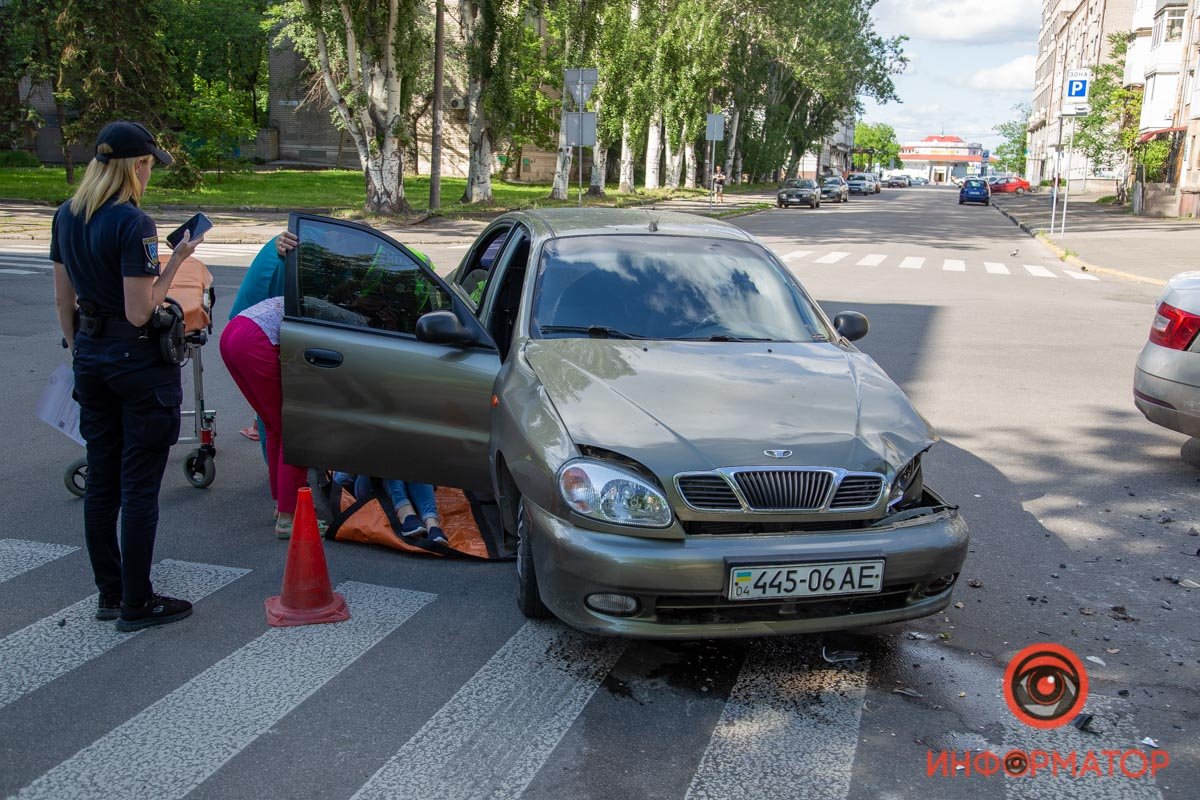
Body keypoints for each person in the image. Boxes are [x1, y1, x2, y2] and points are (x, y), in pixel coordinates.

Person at [51, 120, 203, 632]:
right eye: (149, 166)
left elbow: (63, 301)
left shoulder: (66, 215)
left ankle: (110, 594)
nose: (150, 175)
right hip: (137, 365)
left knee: (102, 482)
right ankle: (138, 601)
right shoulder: (133, 223)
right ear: (137, 165)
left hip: (91, 357)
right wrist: (176, 261)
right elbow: (142, 311)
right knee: (138, 487)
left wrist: (81, 349)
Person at [220, 296, 308, 538]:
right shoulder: (330, 309)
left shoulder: (305, 291)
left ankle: (281, 504)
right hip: (253, 339)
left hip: (233, 333)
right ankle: (288, 517)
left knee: (273, 425)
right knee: (294, 432)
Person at [229, 231, 297, 450]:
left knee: (272, 419)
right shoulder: (291, 249)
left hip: (241, 331)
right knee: (284, 428)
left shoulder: (295, 241)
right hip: (257, 337)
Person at [333, 472, 446, 544]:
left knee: (415, 456)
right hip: (371, 485)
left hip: (408, 483)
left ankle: (432, 523)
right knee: (386, 454)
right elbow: (341, 479)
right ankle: (405, 512)